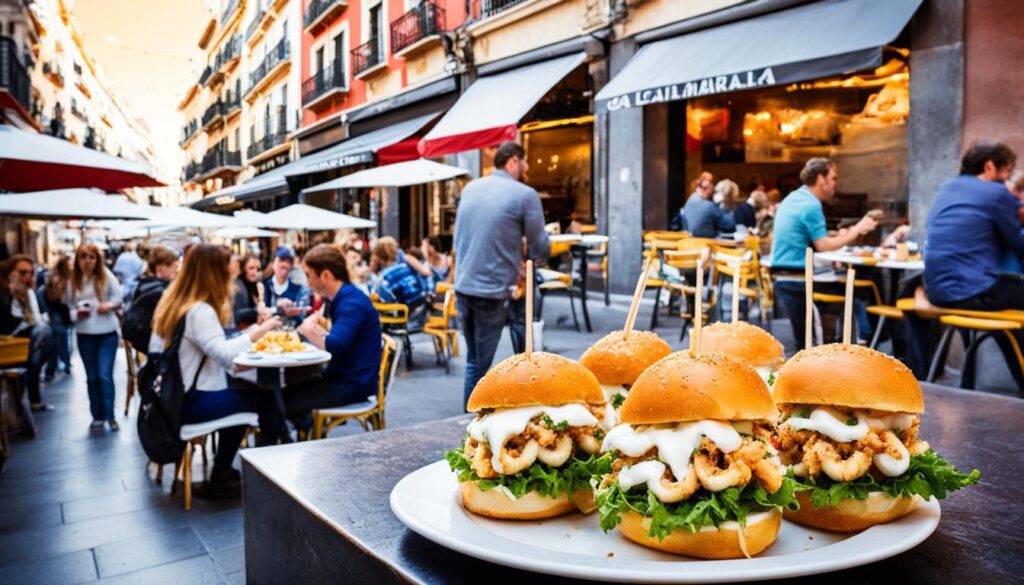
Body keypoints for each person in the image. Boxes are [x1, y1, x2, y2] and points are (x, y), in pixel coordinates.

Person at [150, 245, 281, 498]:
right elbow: (223, 353)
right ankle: (267, 481)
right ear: (214, 274)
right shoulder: (200, 310)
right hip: (191, 401)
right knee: (265, 400)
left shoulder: (174, 302)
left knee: (243, 396)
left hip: (171, 399)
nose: (231, 277)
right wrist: (259, 332)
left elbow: (214, 346)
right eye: (227, 270)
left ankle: (221, 472)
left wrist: (249, 333)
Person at [453, 141, 549, 408]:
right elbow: (539, 243)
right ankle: (513, 412)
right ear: (513, 162)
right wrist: (544, 255)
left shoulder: (471, 188)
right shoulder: (524, 194)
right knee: (519, 356)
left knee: (475, 361)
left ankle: (471, 418)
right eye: (524, 162)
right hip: (494, 290)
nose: (526, 168)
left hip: (464, 287)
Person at [769, 158, 880, 345]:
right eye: (834, 178)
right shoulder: (811, 204)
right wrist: (856, 230)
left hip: (783, 277)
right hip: (799, 279)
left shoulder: (796, 197)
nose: (836, 184)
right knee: (864, 288)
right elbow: (823, 245)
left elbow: (811, 235)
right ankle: (867, 342)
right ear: (821, 179)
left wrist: (836, 233)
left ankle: (842, 340)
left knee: (803, 342)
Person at [924, 142, 1023, 310]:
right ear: (989, 166)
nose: (1007, 180)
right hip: (974, 291)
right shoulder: (995, 193)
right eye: (1007, 171)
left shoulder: (946, 188)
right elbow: (1019, 243)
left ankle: (1009, 337)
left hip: (936, 294)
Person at [290, 245, 382, 419]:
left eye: (309, 275)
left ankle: (295, 437)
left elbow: (336, 344)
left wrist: (308, 329)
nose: (307, 282)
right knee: (284, 392)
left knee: (282, 399)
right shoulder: (343, 297)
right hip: (344, 377)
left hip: (354, 385)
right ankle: (303, 430)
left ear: (325, 275)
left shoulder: (351, 302)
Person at [65, 243, 123, 430]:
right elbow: (68, 306)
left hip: (107, 333)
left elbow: (118, 298)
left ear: (97, 259)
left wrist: (108, 305)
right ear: (78, 260)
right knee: (91, 377)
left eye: (91, 257)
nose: (88, 261)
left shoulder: (106, 276)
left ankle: (110, 415)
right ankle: (97, 415)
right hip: (84, 333)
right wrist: (77, 313)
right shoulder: (73, 281)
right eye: (84, 257)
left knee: (104, 375)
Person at [4, 255, 52, 411]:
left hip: (29, 339)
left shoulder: (30, 292)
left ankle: (32, 395)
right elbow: (8, 323)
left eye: (31, 273)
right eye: (22, 272)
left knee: (45, 334)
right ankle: (33, 397)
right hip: (10, 341)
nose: (27, 277)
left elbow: (36, 318)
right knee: (43, 335)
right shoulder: (5, 291)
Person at [371, 237, 427, 319]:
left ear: (378, 256)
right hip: (423, 308)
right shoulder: (406, 266)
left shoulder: (383, 278)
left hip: (407, 314)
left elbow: (385, 301)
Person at [40, 256, 73, 381]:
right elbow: (55, 296)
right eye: (69, 264)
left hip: (63, 313)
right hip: (57, 312)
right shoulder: (57, 278)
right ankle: (63, 364)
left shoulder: (67, 277)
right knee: (61, 339)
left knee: (62, 339)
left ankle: (60, 365)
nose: (72, 266)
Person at [263, 246, 308, 323]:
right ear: (273, 264)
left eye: (287, 262)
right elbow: (260, 313)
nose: (284, 264)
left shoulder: (298, 289)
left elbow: (302, 317)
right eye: (280, 260)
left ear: (291, 266)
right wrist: (277, 308)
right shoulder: (264, 286)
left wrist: (292, 308)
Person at [233, 254, 267, 329]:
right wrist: (257, 311)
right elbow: (237, 315)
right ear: (243, 269)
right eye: (251, 268)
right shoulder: (237, 286)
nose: (255, 272)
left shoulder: (256, 286)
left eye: (258, 269)